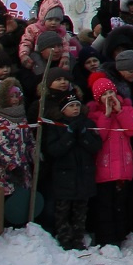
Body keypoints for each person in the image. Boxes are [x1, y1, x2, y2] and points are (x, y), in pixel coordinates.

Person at [41, 85, 101, 250]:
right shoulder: (56, 126)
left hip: (83, 174)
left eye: (76, 105)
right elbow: (54, 150)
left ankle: (78, 239)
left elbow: (95, 146)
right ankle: (64, 238)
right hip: (64, 176)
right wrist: (68, 134)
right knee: (63, 210)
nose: (75, 109)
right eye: (71, 106)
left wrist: (82, 134)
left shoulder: (87, 123)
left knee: (80, 211)